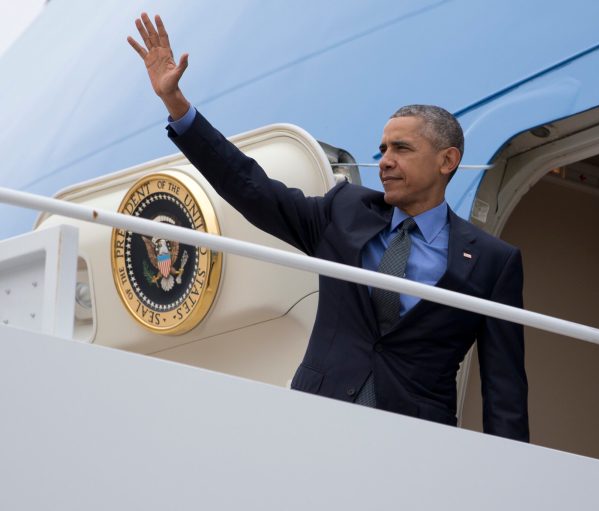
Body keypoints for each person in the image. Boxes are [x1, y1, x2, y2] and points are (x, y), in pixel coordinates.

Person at [128, 13, 528, 441]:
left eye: (402, 149)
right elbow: (250, 186)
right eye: (382, 149)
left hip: (416, 446)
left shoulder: (492, 261)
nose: (385, 160)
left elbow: (504, 390)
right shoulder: (345, 211)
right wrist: (178, 107)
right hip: (313, 427)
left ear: (447, 161)